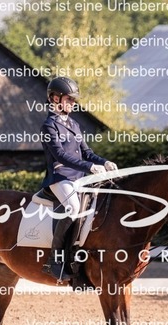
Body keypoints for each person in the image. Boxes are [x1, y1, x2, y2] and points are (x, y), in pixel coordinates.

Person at [40, 76, 117, 281]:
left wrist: (104, 162)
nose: (73, 103)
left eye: (74, 100)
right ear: (55, 98)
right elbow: (60, 156)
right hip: (60, 177)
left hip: (78, 178)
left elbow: (86, 152)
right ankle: (55, 260)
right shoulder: (49, 126)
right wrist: (89, 166)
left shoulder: (74, 124)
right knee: (73, 208)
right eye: (69, 99)